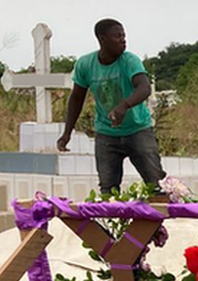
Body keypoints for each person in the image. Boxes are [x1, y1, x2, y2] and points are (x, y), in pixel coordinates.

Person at [57, 18, 166, 195]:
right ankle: (111, 222)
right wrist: (67, 132)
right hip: (107, 133)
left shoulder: (130, 61)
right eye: (117, 36)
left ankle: (157, 221)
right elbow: (77, 98)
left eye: (124, 35)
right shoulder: (85, 64)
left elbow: (144, 87)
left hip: (138, 129)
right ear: (102, 39)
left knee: (156, 184)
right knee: (108, 189)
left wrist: (124, 105)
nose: (123, 40)